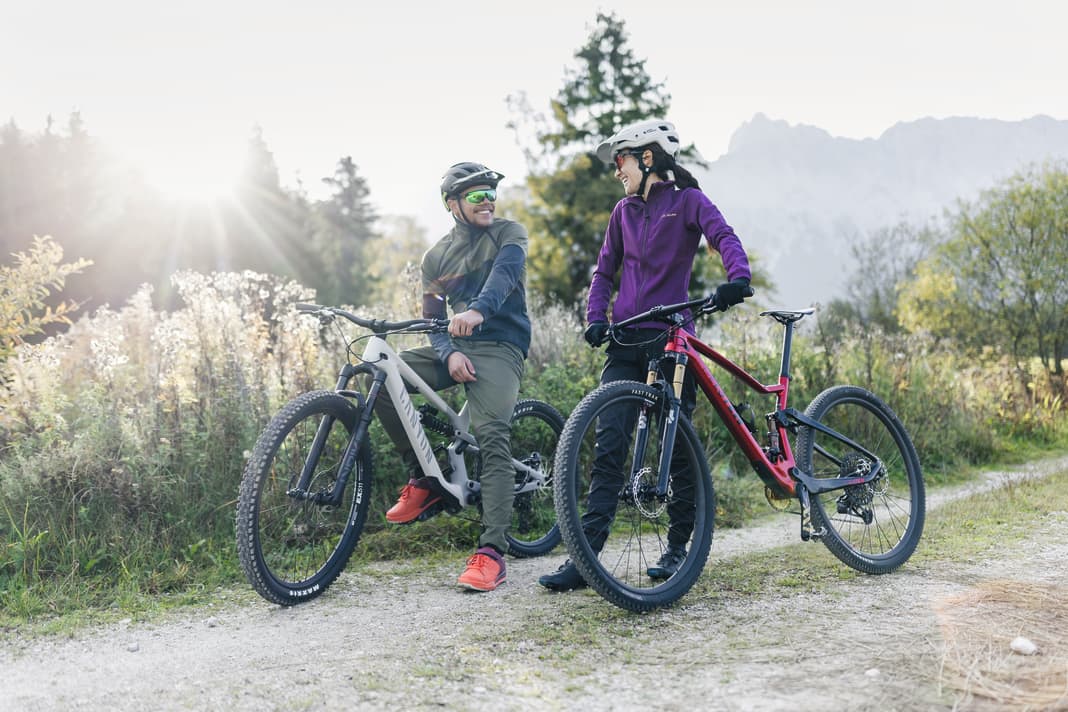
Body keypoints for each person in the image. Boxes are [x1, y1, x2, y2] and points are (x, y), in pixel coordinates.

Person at [538, 119, 752, 591]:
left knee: (675, 447)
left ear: (648, 157)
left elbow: (724, 237)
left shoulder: (687, 203)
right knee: (610, 447)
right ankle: (586, 556)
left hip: (672, 339)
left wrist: (737, 277)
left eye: (621, 160)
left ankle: (679, 547)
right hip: (625, 342)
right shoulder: (622, 212)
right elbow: (604, 271)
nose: (617, 171)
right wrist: (596, 317)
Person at [374, 162, 531, 592]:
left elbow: (504, 278)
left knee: (491, 434)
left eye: (490, 195)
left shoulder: (509, 233)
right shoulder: (436, 257)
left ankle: (493, 552)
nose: (488, 202)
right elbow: (432, 319)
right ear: (453, 204)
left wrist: (478, 311)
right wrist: (447, 355)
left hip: (500, 346)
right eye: (477, 196)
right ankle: (425, 479)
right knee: (380, 376)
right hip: (456, 347)